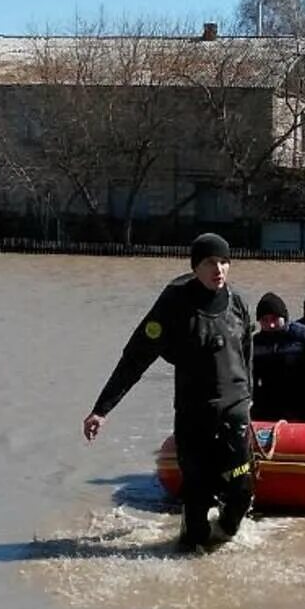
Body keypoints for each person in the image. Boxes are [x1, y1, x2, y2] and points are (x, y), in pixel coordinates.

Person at [83, 233, 254, 552]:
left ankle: (226, 533)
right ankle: (193, 549)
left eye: (224, 262)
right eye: (209, 263)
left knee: (241, 490)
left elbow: (247, 353)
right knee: (197, 504)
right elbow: (135, 358)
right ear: (195, 267)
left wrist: (250, 399)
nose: (219, 269)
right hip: (194, 414)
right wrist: (102, 409)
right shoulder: (174, 307)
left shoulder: (238, 303)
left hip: (235, 409)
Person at [250, 292, 305, 423]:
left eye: (274, 319)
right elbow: (249, 377)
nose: (271, 325)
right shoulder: (255, 343)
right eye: (265, 320)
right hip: (269, 402)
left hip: (302, 402)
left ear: (284, 317)